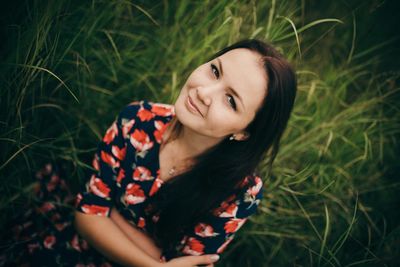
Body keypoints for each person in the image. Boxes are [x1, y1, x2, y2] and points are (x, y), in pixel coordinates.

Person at [0, 39, 297, 266]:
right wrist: (151, 261)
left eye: (231, 100)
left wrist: (110, 217)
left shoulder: (241, 190)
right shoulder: (137, 120)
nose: (204, 93)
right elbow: (86, 219)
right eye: (214, 71)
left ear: (244, 131)